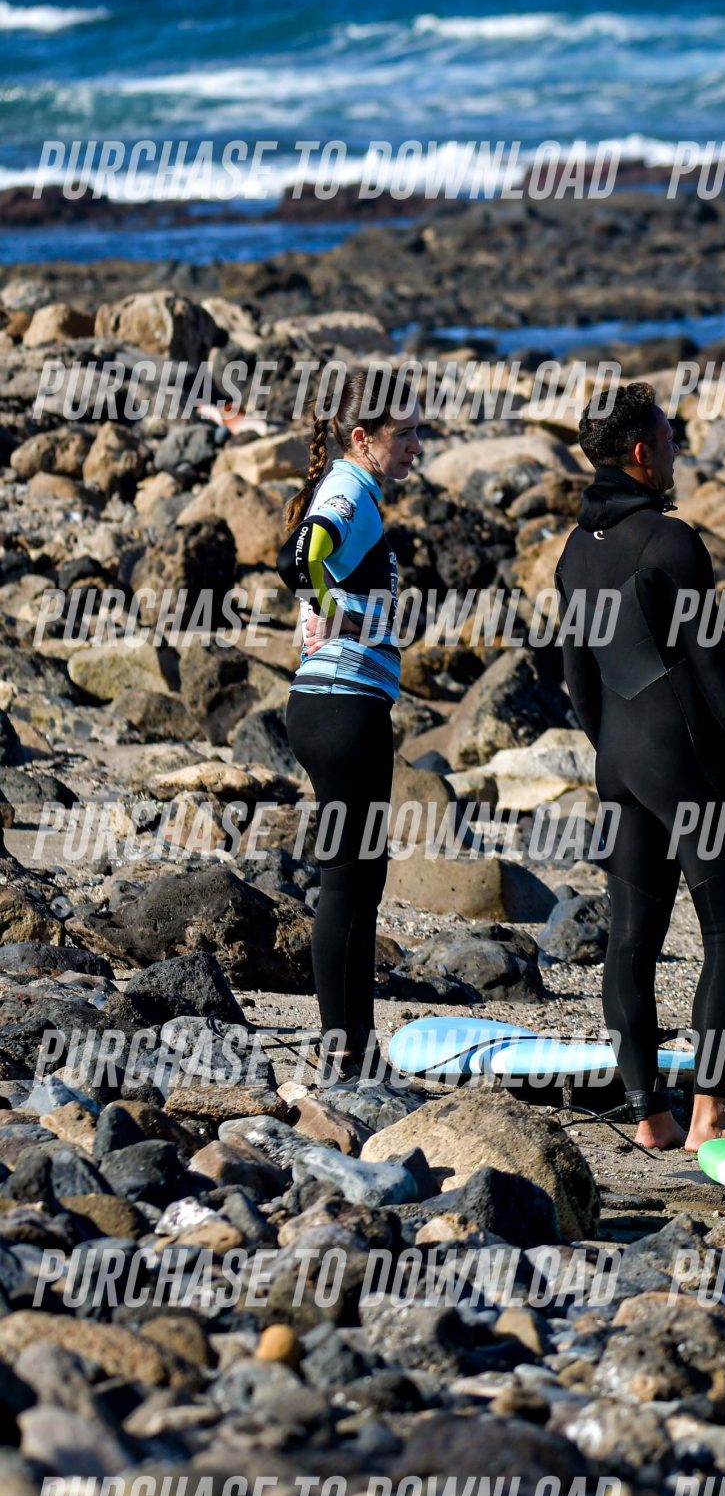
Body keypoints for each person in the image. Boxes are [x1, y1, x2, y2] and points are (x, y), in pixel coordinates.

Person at [555, 382, 725, 1151]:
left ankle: (649, 1112)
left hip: (621, 764)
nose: (677, 447)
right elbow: (713, 662)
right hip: (687, 760)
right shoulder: (670, 542)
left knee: (631, 939)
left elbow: (579, 679)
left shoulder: (574, 550)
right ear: (641, 452)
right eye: (668, 436)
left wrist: (617, 753)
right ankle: (709, 1109)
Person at [284, 366, 423, 1085]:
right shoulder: (351, 489)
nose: (417, 447)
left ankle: (353, 1046)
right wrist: (324, 602)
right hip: (342, 706)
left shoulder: (352, 487)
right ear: (364, 437)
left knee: (358, 876)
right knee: (350, 880)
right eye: (408, 435)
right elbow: (303, 552)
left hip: (333, 703)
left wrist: (325, 603)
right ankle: (345, 1051)